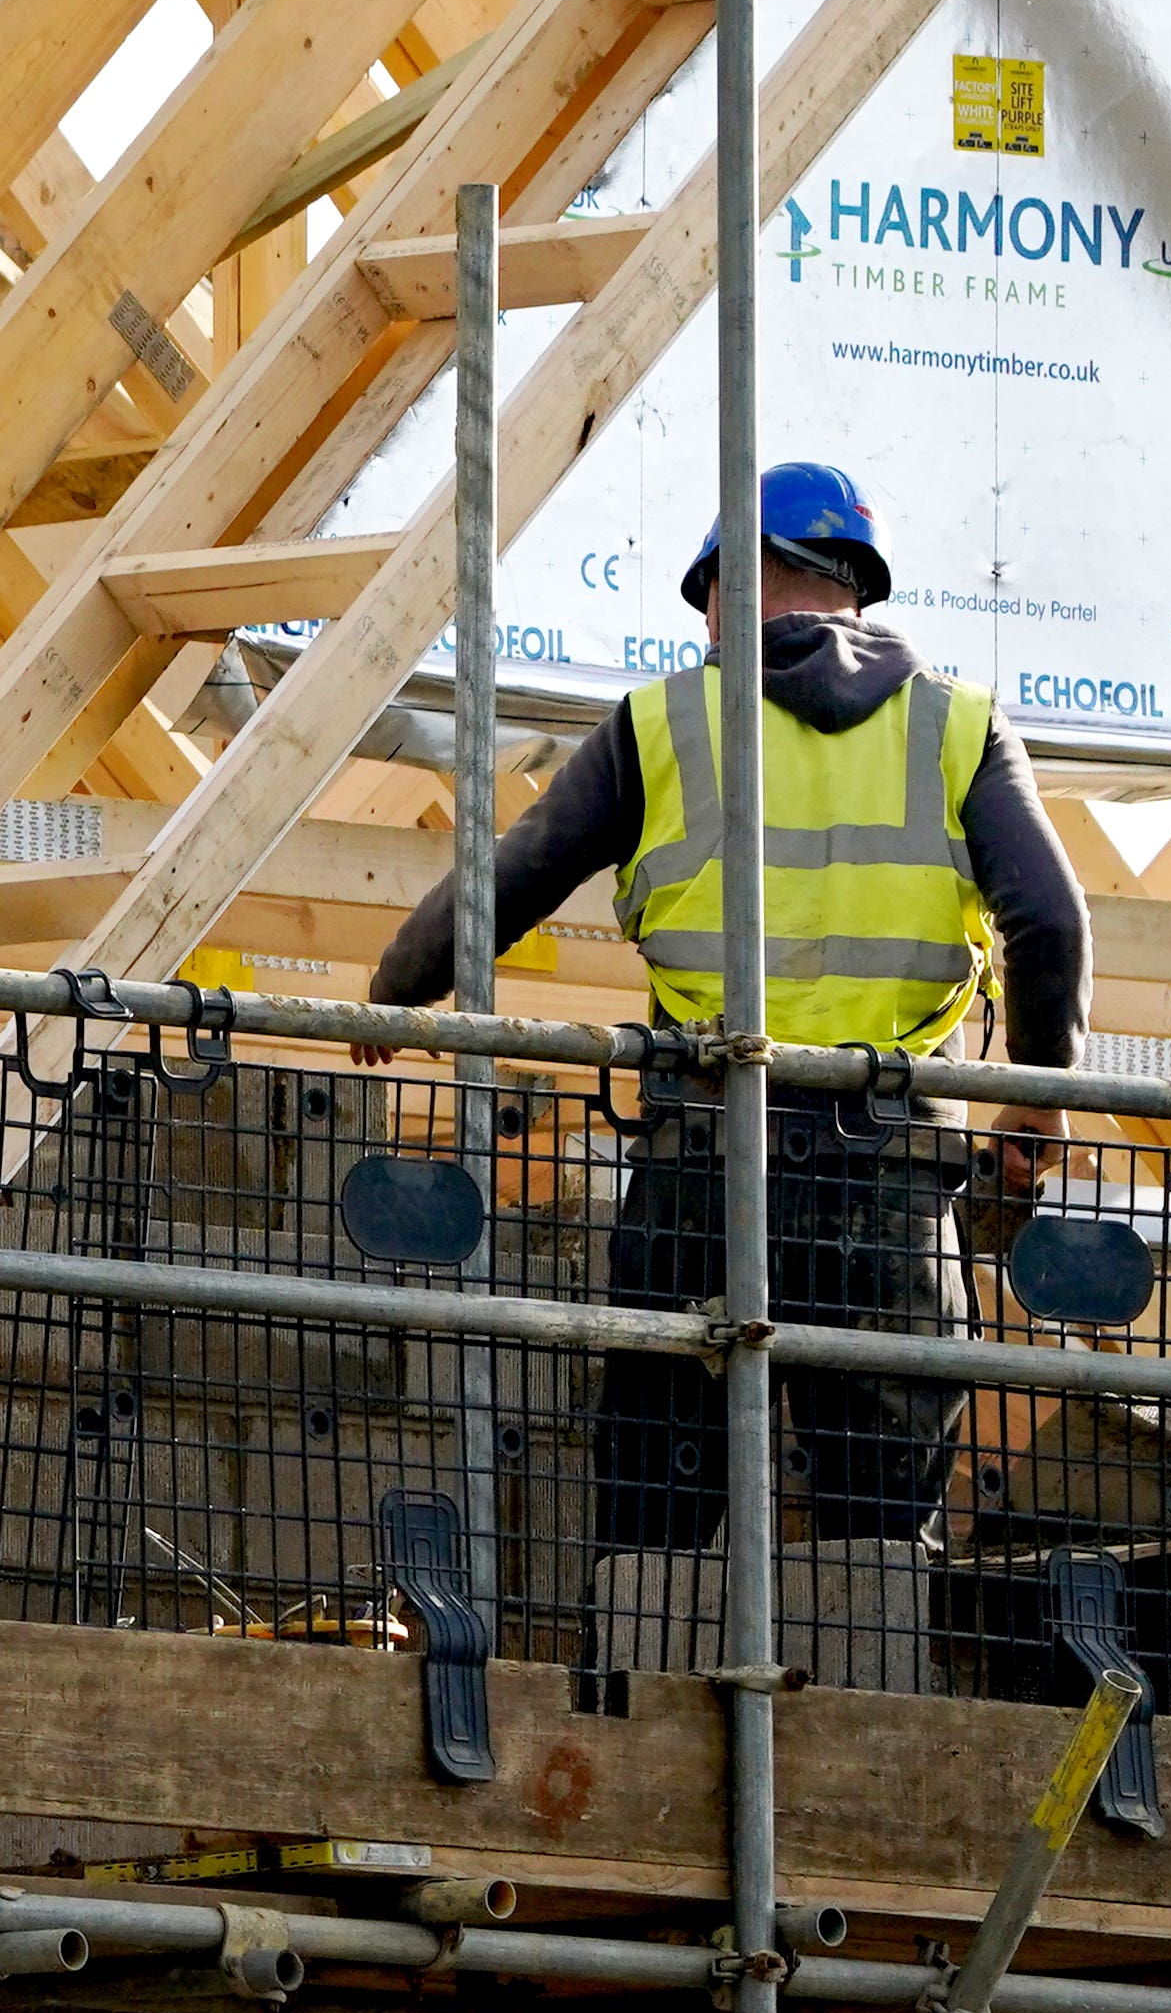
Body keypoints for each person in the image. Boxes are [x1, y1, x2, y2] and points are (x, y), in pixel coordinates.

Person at [358, 460, 1091, 1568]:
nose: (704, 617)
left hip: (705, 1158)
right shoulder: (958, 727)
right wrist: (1038, 1102)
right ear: (852, 585)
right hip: (884, 1177)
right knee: (878, 1545)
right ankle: (867, 1731)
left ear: (735, 582)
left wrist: (399, 989)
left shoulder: (663, 724)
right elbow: (1050, 919)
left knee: (655, 1516)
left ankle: (638, 1721)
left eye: (708, 591)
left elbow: (509, 877)